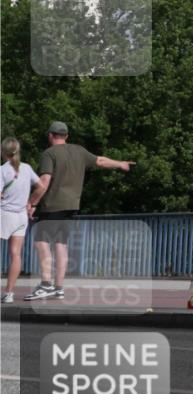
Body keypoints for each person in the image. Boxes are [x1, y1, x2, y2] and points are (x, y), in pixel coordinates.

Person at [23, 122, 134, 301]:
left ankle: (45, 285)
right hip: (72, 205)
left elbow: (44, 180)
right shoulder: (79, 151)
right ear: (66, 136)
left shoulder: (49, 153)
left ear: (50, 135)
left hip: (53, 205)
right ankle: (59, 287)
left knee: (41, 242)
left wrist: (32, 202)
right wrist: (119, 163)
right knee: (61, 245)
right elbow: (100, 161)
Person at [2, 138, 39, 303]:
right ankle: (9, 293)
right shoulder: (27, 168)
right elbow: (42, 186)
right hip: (21, 216)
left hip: (4, 214)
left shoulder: (2, 170)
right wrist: (32, 203)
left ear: (3, 152)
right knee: (15, 254)